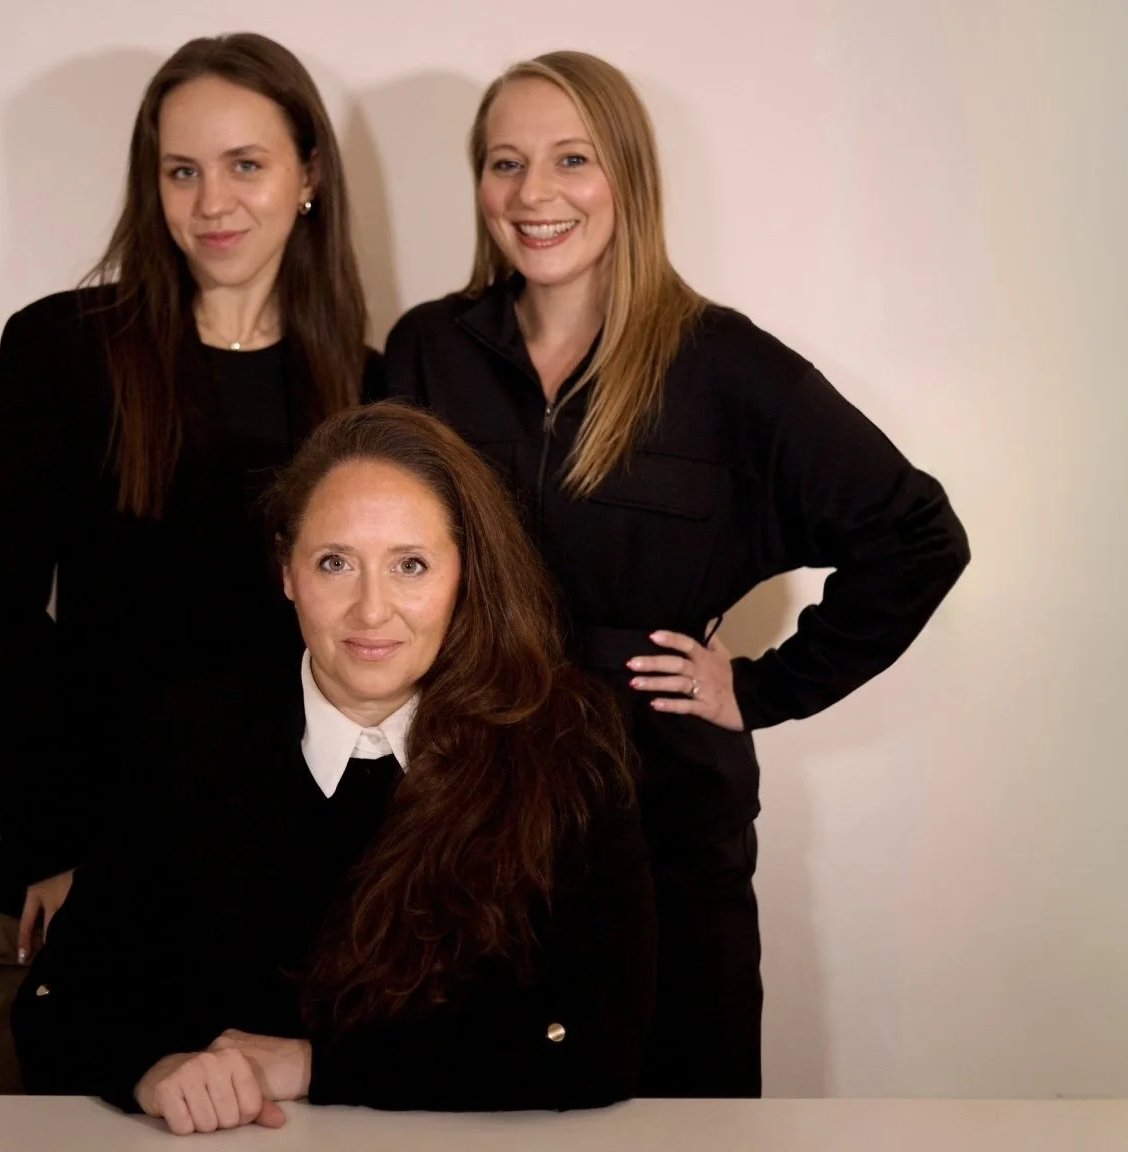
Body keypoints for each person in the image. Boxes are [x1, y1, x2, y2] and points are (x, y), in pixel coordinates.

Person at [380, 51, 971, 1098]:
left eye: (573, 158)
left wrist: (761, 687)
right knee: (465, 1101)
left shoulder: (724, 366)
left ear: (630, 179)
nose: (535, 193)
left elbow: (917, 533)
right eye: (504, 162)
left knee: (677, 1109)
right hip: (464, 816)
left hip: (662, 825)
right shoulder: (429, 351)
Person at [0, 33, 378, 1093]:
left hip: (283, 879)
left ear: (308, 176)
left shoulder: (368, 388)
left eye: (245, 164)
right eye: (182, 170)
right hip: (84, 851)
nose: (211, 200)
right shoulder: (63, 350)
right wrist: (49, 844)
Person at [11, 402, 656, 1133]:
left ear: (463, 573)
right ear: (287, 569)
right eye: (335, 563)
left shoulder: (565, 747)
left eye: (409, 565)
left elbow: (601, 1045)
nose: (371, 610)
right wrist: (150, 1071)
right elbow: (58, 1006)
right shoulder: (184, 738)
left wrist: (313, 1064)